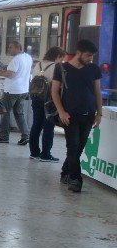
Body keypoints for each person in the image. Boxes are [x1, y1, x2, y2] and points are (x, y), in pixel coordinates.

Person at [53, 39, 104, 193]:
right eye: (88, 55)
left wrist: (99, 113)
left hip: (88, 114)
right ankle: (76, 179)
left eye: (92, 56)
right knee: (73, 147)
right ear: (79, 53)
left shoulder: (94, 69)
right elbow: (54, 91)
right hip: (70, 115)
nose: (90, 59)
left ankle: (65, 172)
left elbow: (97, 92)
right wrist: (61, 111)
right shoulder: (61, 68)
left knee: (79, 147)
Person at [28, 46, 65, 163]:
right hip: (49, 100)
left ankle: (34, 152)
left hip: (36, 98)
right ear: (58, 56)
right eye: (62, 58)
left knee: (36, 125)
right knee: (48, 127)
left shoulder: (38, 64)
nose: (62, 61)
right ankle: (45, 154)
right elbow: (58, 85)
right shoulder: (56, 66)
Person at [0, 41, 32, 145]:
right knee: (19, 113)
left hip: (12, 90)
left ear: (18, 48)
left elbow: (11, 74)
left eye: (10, 47)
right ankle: (25, 135)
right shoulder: (27, 57)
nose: (9, 49)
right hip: (23, 90)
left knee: (5, 112)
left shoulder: (16, 59)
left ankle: (4, 136)